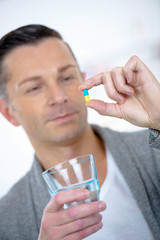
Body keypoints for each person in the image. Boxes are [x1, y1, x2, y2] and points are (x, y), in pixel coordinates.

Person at [0, 24, 160, 240]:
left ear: (85, 83)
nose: (58, 96)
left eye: (66, 78)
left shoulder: (154, 152)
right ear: (9, 113)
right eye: (34, 88)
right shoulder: (6, 220)